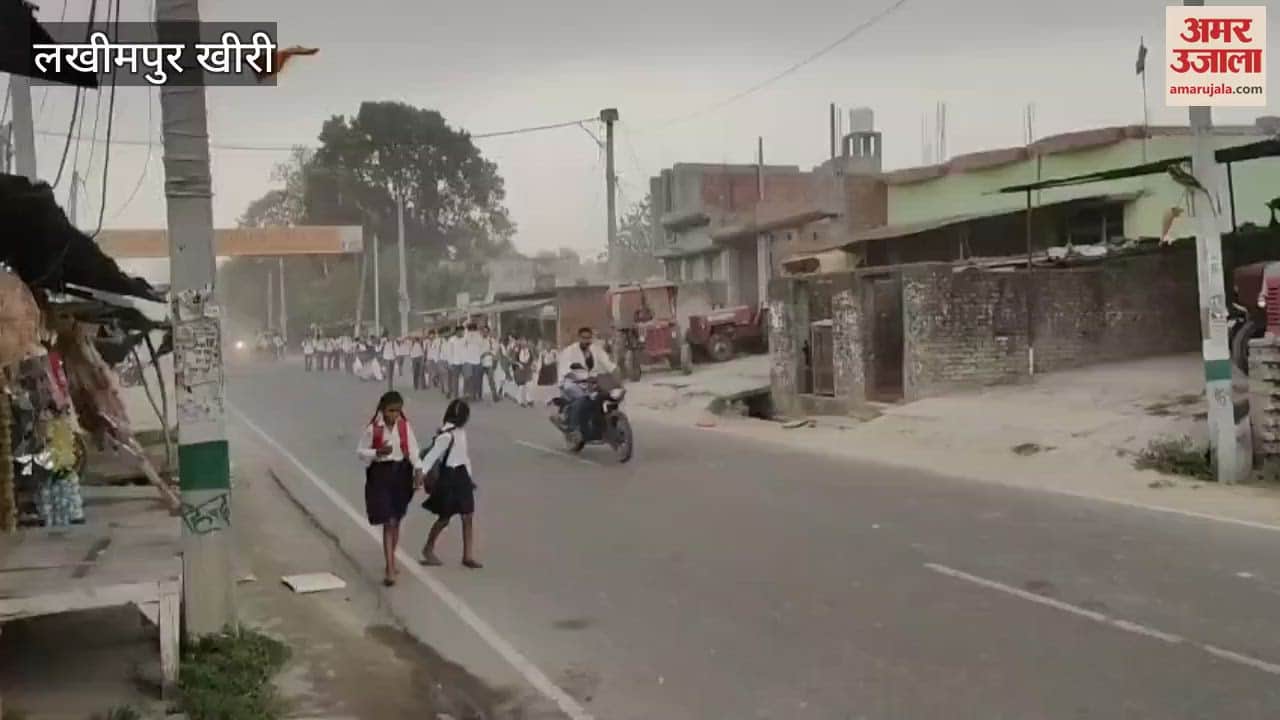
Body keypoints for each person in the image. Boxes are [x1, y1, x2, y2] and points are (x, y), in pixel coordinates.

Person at [356, 391, 424, 586]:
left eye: (397, 411)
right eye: (390, 411)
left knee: (397, 520)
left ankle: (391, 558)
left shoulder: (404, 427)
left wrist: (418, 470)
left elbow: (412, 450)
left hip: (401, 474)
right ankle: (389, 567)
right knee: (389, 520)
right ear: (383, 410)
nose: (394, 415)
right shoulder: (373, 430)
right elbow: (360, 452)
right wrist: (377, 452)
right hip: (381, 474)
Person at [419, 399, 482, 569]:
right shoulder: (447, 435)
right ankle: (428, 548)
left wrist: (469, 477)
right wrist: (420, 476)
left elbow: (464, 456)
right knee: (445, 518)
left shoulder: (460, 432)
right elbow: (431, 457)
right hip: (449, 477)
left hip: (461, 475)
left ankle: (467, 555)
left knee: (467, 515)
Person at [559, 327, 617, 437]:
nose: (586, 341)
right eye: (584, 338)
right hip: (572, 382)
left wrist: (616, 376)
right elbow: (565, 370)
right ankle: (574, 427)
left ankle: (601, 425)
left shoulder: (596, 350)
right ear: (578, 338)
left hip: (591, 382)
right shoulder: (569, 351)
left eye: (589, 338)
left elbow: (609, 364)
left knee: (606, 395)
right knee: (583, 399)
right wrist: (579, 377)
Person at [511, 337, 535, 407]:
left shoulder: (529, 350)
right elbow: (513, 360)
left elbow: (532, 359)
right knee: (521, 386)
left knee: (528, 385)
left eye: (525, 342)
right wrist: (519, 364)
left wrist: (532, 365)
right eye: (522, 342)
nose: (523, 344)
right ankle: (519, 400)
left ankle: (529, 400)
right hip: (520, 369)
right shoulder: (517, 351)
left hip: (527, 369)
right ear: (520, 343)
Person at [479, 327, 500, 403]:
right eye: (483, 331)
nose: (484, 333)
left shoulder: (491, 340)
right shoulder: (479, 340)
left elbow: (495, 351)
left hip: (488, 363)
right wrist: (482, 354)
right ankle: (479, 395)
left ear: (488, 332)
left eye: (486, 332)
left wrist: (488, 353)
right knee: (479, 380)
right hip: (480, 363)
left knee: (491, 380)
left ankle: (495, 395)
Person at [536, 340, 559, 405]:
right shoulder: (542, 353)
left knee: (552, 385)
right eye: (547, 345)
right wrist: (538, 369)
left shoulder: (554, 352)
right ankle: (548, 398)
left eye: (549, 345)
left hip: (552, 369)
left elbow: (558, 360)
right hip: (545, 369)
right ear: (545, 346)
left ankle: (551, 398)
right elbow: (540, 361)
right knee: (546, 385)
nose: (548, 347)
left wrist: (555, 362)